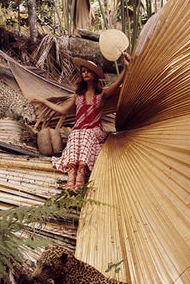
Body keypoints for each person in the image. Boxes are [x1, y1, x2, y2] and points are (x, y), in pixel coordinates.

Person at [31, 52, 131, 189]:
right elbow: (63, 110)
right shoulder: (77, 96)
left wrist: (126, 67)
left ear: (95, 75)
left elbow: (118, 82)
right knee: (75, 134)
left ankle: (80, 176)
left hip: (94, 131)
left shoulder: (102, 94)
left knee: (85, 134)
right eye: (83, 71)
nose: (86, 73)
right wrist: (43, 101)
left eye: (89, 71)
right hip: (78, 130)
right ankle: (71, 177)